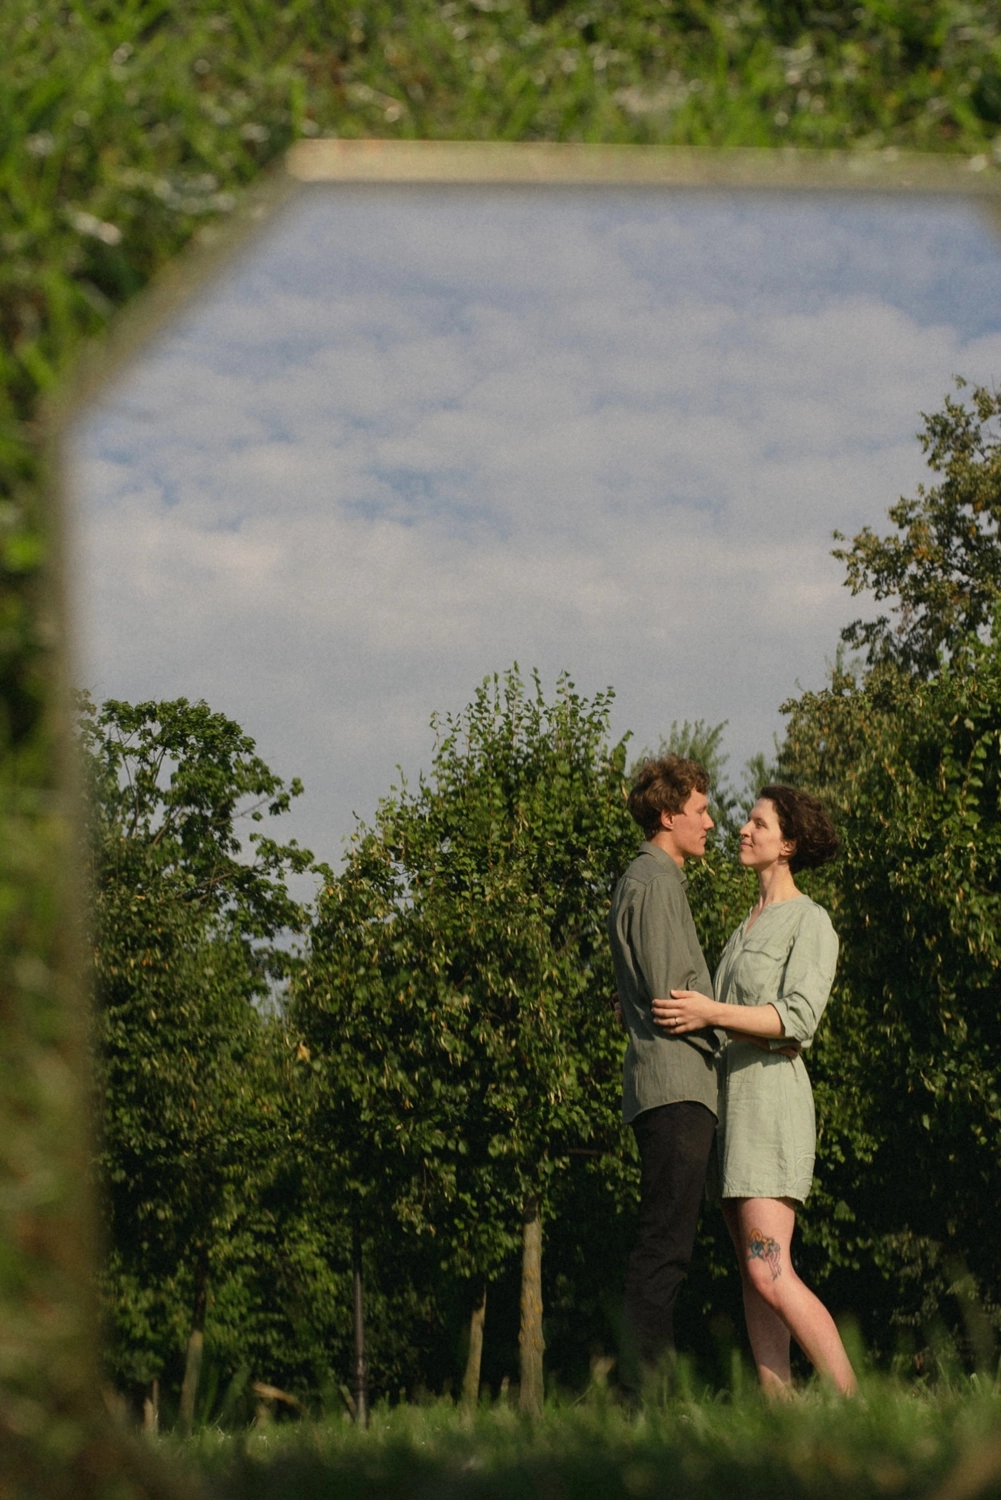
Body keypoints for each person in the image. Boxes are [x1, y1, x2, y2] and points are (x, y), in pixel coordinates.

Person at [654, 785, 857, 1396]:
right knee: (753, 1274)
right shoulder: (744, 929)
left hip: (772, 1108)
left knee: (771, 1268)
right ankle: (782, 1421)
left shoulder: (810, 920)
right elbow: (714, 1020)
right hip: (733, 1110)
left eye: (759, 823)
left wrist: (712, 1010)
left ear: (788, 843)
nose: (743, 829)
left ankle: (858, 1407)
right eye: (747, 820)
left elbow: (797, 1019)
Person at [607, 755, 723, 1387]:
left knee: (666, 1251)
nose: (710, 822)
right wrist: (745, 1019)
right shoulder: (655, 882)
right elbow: (673, 996)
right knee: (663, 1253)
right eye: (701, 810)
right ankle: (643, 1398)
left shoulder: (652, 880)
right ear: (668, 814)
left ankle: (646, 1393)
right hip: (676, 1087)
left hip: (673, 1087)